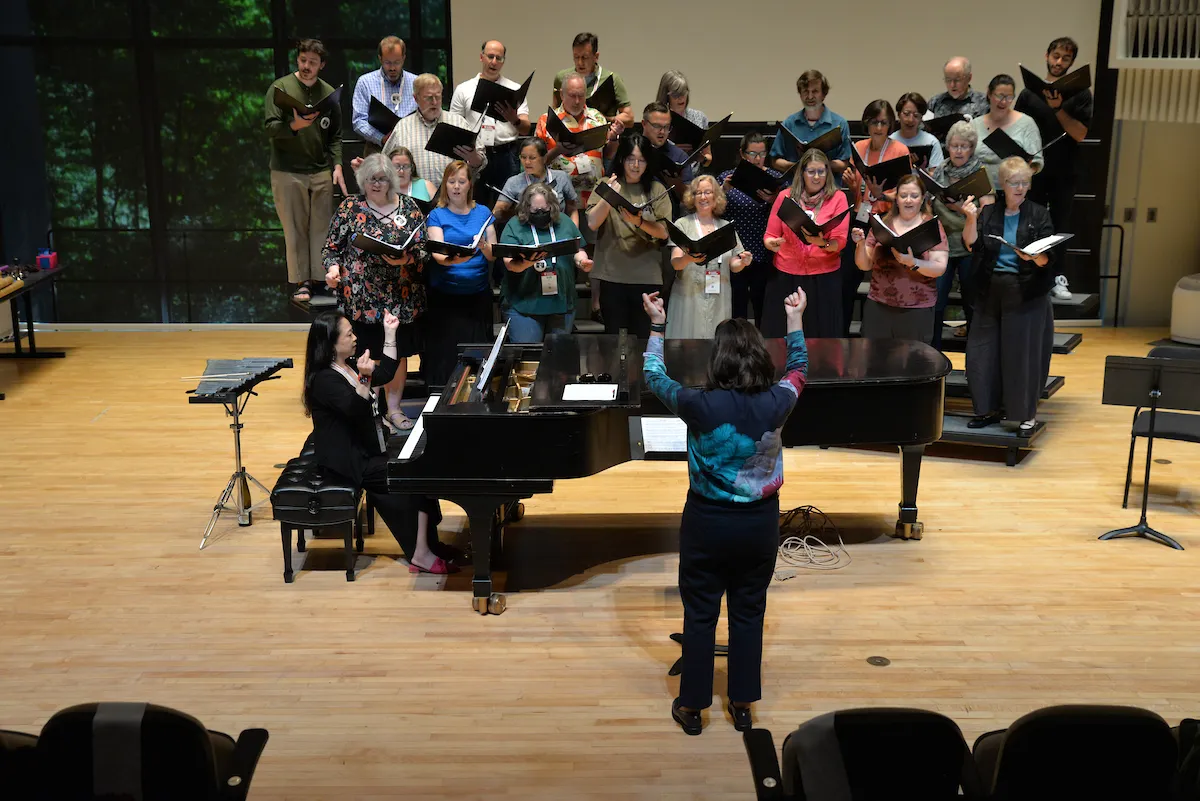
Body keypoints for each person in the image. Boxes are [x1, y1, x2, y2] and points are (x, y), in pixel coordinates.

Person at [641, 288, 809, 736]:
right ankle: (742, 704)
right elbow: (799, 370)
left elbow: (653, 374)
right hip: (758, 526)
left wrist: (658, 325)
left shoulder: (698, 404)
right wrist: (795, 319)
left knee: (700, 614)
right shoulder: (779, 401)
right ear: (757, 357)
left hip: (706, 523)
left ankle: (693, 707)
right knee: (749, 612)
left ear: (718, 361)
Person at [303, 310, 456, 574]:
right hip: (349, 461)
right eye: (348, 334)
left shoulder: (346, 364)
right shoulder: (325, 380)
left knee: (423, 464)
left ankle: (430, 544)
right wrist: (364, 378)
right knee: (416, 475)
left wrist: (390, 333)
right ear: (330, 343)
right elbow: (354, 407)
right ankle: (420, 553)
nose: (355, 337)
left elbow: (385, 372)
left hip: (368, 448)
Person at [321, 153, 427, 433]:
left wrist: (405, 259)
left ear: (391, 179)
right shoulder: (349, 207)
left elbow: (423, 249)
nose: (376, 184)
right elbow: (331, 249)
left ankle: (394, 409)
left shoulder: (409, 207)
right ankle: (373, 412)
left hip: (400, 296)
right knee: (369, 354)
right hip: (361, 298)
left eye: (381, 179)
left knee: (398, 354)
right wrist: (332, 270)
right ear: (362, 180)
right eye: (370, 179)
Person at [961, 157, 1056, 433]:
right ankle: (986, 409)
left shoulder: (1038, 214)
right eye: (1015, 183)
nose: (1021, 188)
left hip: (1025, 291)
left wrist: (1033, 257)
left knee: (1021, 356)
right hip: (990, 288)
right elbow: (971, 245)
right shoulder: (989, 213)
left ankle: (1025, 414)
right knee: (981, 353)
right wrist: (970, 218)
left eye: (1025, 182)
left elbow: (1048, 259)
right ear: (1002, 184)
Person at [264, 39, 346, 303]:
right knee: (296, 227)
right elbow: (270, 128)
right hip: (287, 170)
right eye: (303, 61)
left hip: (320, 167)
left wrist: (337, 164)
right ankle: (302, 281)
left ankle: (324, 279)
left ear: (322, 64)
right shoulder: (280, 88)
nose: (307, 66)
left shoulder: (328, 93)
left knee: (322, 226)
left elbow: (335, 135)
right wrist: (295, 125)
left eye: (313, 62)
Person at [1016, 36, 1093, 301]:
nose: (1059, 62)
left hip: (1065, 170)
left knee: (1060, 224)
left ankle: (1057, 277)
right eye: (1056, 56)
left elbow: (1080, 133)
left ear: (1072, 62)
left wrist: (1058, 108)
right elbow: (1016, 126)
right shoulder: (1028, 94)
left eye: (1066, 58)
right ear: (1047, 56)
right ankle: (1030, 273)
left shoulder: (1081, 93)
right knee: (1030, 223)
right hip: (1034, 170)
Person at [585, 133, 671, 338]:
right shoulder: (606, 183)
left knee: (643, 340)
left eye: (641, 160)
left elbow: (664, 232)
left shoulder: (656, 189)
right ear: (622, 159)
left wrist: (639, 222)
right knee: (615, 342)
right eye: (631, 159)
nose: (635, 165)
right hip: (612, 276)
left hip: (646, 276)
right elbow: (592, 223)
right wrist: (608, 197)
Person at [423, 161, 498, 388]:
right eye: (451, 181)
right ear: (445, 184)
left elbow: (493, 253)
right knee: (446, 351)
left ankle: (475, 395)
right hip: (446, 296)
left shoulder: (483, 212)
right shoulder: (437, 214)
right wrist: (458, 258)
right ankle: (444, 396)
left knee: (477, 351)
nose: (456, 186)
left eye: (461, 182)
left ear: (469, 185)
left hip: (477, 294)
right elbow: (437, 253)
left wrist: (484, 247)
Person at [839, 100, 910, 334]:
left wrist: (884, 196)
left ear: (890, 125)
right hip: (861, 217)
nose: (879, 127)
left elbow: (906, 193)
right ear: (867, 123)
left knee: (886, 278)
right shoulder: (859, 148)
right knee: (847, 281)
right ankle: (841, 334)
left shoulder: (900, 150)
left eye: (884, 122)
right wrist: (851, 186)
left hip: (887, 219)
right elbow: (859, 191)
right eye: (874, 122)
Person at [762, 148, 849, 338]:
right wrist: (772, 243)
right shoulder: (785, 197)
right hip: (786, 275)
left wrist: (822, 243)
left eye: (821, 171)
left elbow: (840, 242)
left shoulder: (838, 198)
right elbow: (769, 235)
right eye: (811, 171)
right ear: (802, 172)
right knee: (782, 335)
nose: (817, 177)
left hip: (823, 278)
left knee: (821, 336)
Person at [851, 174, 948, 343]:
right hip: (879, 305)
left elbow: (940, 267)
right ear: (896, 199)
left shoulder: (931, 226)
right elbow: (864, 265)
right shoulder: (882, 223)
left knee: (913, 364)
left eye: (914, 196)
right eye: (903, 196)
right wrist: (859, 244)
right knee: (874, 360)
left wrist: (913, 263)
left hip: (917, 308)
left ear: (923, 198)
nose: (908, 201)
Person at [499, 183, 593, 342]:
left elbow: (577, 249)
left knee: (557, 359)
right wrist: (529, 262)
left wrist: (582, 261)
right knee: (529, 356)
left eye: (544, 209)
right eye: (535, 210)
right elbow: (510, 264)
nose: (540, 213)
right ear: (526, 208)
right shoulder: (515, 226)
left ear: (552, 206)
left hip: (561, 302)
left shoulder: (564, 221)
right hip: (525, 303)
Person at [666, 175, 752, 339]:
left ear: (716, 196)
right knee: (688, 345)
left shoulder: (726, 227)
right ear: (692, 197)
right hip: (689, 297)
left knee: (716, 343)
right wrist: (689, 258)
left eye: (708, 192)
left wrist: (742, 262)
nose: (703, 197)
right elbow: (676, 264)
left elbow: (733, 264)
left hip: (719, 297)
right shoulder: (682, 224)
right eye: (698, 193)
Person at [449, 40, 531, 204]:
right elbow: (454, 124)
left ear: (503, 62)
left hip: (506, 155)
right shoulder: (464, 89)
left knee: (507, 204)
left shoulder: (514, 89)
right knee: (474, 202)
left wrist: (513, 118)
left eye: (498, 58)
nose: (494, 62)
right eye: (490, 56)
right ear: (481, 57)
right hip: (475, 155)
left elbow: (526, 129)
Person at [930, 121, 986, 349]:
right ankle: (932, 355)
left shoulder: (979, 174)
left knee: (972, 304)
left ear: (972, 148)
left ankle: (976, 357)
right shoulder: (940, 170)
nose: (959, 151)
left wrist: (963, 208)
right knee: (937, 303)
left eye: (964, 146)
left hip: (968, 245)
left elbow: (988, 210)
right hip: (941, 245)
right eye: (954, 146)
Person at [718, 132, 784, 325]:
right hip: (734, 252)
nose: (757, 159)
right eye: (752, 153)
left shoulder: (775, 178)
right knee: (736, 308)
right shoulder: (727, 177)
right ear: (742, 153)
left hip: (764, 253)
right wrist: (724, 190)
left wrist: (773, 200)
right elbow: (712, 211)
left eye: (762, 154)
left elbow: (787, 213)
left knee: (763, 306)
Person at [381, 74, 487, 189]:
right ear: (416, 98)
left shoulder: (458, 122)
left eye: (438, 96)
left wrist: (473, 158)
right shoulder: (403, 127)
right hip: (415, 198)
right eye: (429, 98)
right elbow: (385, 163)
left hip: (453, 198)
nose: (435, 102)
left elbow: (482, 161)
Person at [770, 70, 852, 180]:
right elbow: (775, 161)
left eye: (815, 91)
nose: (809, 96)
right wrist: (797, 166)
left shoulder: (840, 123)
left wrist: (817, 165)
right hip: (795, 192)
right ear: (800, 94)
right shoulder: (789, 123)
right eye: (805, 91)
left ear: (823, 94)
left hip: (829, 193)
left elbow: (844, 163)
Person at [972, 74, 1043, 190]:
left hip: (1014, 191)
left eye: (1009, 97)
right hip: (980, 190)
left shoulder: (1027, 123)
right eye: (1000, 96)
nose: (1004, 102)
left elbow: (1036, 162)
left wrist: (1022, 175)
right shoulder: (975, 124)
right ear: (989, 94)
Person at [492, 137, 579, 230]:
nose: (527, 162)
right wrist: (512, 211)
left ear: (544, 158)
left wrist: (574, 232)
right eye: (523, 157)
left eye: (532, 158)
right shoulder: (513, 182)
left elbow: (572, 209)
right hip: (526, 233)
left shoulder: (561, 177)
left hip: (558, 230)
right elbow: (497, 213)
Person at [351, 35, 418, 155]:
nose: (392, 68)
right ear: (380, 59)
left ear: (404, 58)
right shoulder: (365, 82)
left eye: (397, 62)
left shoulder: (416, 83)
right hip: (376, 147)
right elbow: (358, 121)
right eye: (387, 63)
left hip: (410, 148)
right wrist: (381, 138)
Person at [552, 32, 634, 128]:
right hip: (569, 136)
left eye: (585, 57)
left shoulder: (612, 79)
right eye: (576, 57)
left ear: (596, 57)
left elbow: (629, 118)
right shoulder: (562, 78)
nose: (580, 62)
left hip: (602, 136)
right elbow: (555, 112)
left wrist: (603, 119)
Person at [657, 69, 711, 167]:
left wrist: (700, 158)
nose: (681, 98)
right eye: (675, 95)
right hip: (666, 175)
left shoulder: (699, 117)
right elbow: (649, 156)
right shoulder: (656, 119)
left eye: (683, 93)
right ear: (666, 96)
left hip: (694, 177)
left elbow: (708, 159)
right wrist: (674, 151)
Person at [891, 92, 945, 171]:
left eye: (916, 115)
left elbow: (936, 177)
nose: (911, 120)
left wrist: (921, 169)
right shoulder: (889, 142)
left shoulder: (931, 142)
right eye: (906, 114)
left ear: (921, 118)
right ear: (899, 115)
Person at [928, 56, 990, 122]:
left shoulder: (984, 103)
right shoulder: (935, 102)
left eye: (957, 80)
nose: (952, 85)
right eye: (948, 80)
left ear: (969, 78)